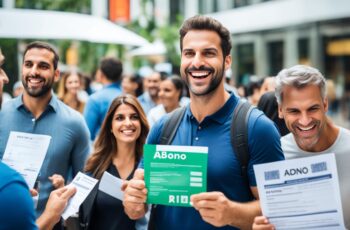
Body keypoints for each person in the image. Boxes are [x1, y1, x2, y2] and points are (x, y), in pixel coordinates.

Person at [123, 15, 284, 230]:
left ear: (227, 61)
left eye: (208, 53)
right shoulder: (163, 127)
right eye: (189, 53)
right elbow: (139, 207)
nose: (197, 62)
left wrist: (232, 213)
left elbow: (280, 209)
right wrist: (133, 202)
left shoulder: (256, 128)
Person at [252, 65, 350, 229]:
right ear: (281, 110)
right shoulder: (273, 154)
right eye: (294, 111)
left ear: (325, 105)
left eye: (312, 108)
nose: (305, 121)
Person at [0, 41, 90, 218]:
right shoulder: (1, 113)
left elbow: (85, 182)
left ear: (56, 74)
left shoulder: (75, 122)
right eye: (28, 65)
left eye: (43, 66)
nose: (34, 71)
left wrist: (66, 191)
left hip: (52, 223)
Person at [79, 94, 150, 230]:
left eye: (134, 117)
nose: (128, 123)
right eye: (119, 118)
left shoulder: (149, 166)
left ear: (141, 123)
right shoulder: (95, 165)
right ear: (110, 126)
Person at [84, 57, 123, 140]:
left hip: (103, 150)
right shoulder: (129, 97)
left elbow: (87, 134)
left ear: (101, 74)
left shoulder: (95, 99)